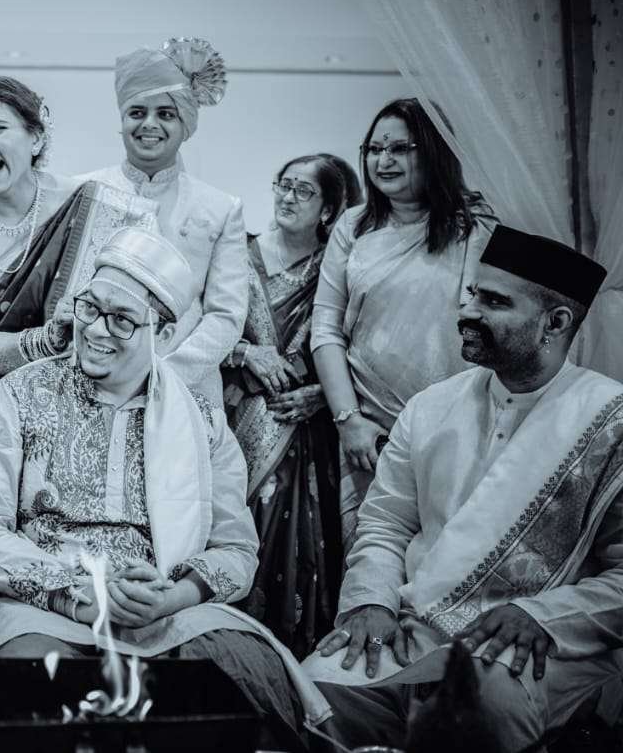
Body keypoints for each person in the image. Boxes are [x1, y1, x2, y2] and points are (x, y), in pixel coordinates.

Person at [0, 227, 331, 747]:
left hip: (169, 614)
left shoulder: (201, 422)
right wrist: (80, 595)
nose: (96, 330)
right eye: (90, 308)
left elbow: (237, 551)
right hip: (48, 608)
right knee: (36, 698)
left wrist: (173, 596)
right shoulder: (22, 393)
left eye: (122, 320)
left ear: (165, 336)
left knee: (247, 680)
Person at [304, 226, 622, 753]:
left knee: (479, 699)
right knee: (320, 686)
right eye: (473, 293)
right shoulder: (430, 408)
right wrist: (371, 602)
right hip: (415, 626)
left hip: (542, 642)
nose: (467, 311)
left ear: (556, 322)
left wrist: (542, 616)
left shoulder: (609, 420)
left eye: (493, 302)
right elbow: (385, 524)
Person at [0, 76, 156, 545]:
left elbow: (140, 317)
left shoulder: (102, 209)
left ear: (36, 137)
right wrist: (43, 342)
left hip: (93, 398)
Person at [311, 98, 497, 548]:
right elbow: (326, 327)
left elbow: (490, 325)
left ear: (433, 150)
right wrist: (348, 420)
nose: (383, 161)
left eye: (399, 148)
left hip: (460, 423)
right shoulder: (354, 227)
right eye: (374, 149)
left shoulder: (475, 226)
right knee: (372, 552)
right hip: (369, 429)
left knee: (450, 555)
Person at [222, 153, 359, 657]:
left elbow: (356, 347)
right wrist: (246, 352)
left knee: (298, 551)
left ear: (329, 209)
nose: (287, 197)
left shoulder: (338, 269)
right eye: (284, 184)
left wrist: (324, 397)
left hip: (305, 436)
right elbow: (200, 327)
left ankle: (287, 664)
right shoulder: (236, 253)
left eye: (304, 191)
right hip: (234, 419)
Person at [75, 36, 248, 405]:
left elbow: (226, 315)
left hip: (185, 389)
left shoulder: (220, 207)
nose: (149, 124)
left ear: (186, 124)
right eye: (137, 112)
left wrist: (166, 376)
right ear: (122, 121)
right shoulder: (82, 191)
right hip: (90, 381)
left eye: (166, 114)